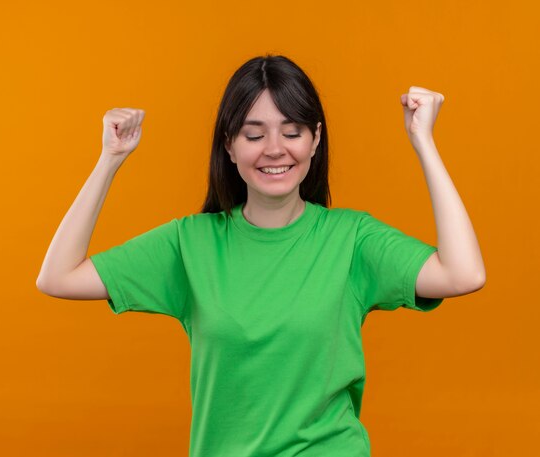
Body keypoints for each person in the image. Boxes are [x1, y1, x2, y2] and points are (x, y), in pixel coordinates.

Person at [36, 54, 486, 456]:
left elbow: (462, 273)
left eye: (292, 132)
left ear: (314, 141)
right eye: (254, 135)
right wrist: (109, 159)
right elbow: (58, 277)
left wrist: (424, 142)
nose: (275, 149)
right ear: (229, 145)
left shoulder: (351, 239)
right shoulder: (190, 244)